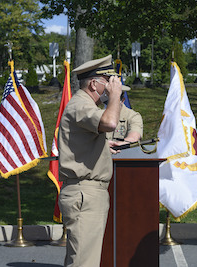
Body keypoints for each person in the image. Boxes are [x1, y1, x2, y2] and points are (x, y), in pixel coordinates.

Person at [57, 55, 130, 267]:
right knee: (83, 263)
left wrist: (103, 147)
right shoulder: (81, 104)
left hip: (88, 192)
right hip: (84, 193)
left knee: (85, 259)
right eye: (107, 82)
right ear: (93, 83)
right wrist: (115, 96)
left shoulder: (83, 105)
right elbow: (109, 122)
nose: (110, 88)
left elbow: (80, 142)